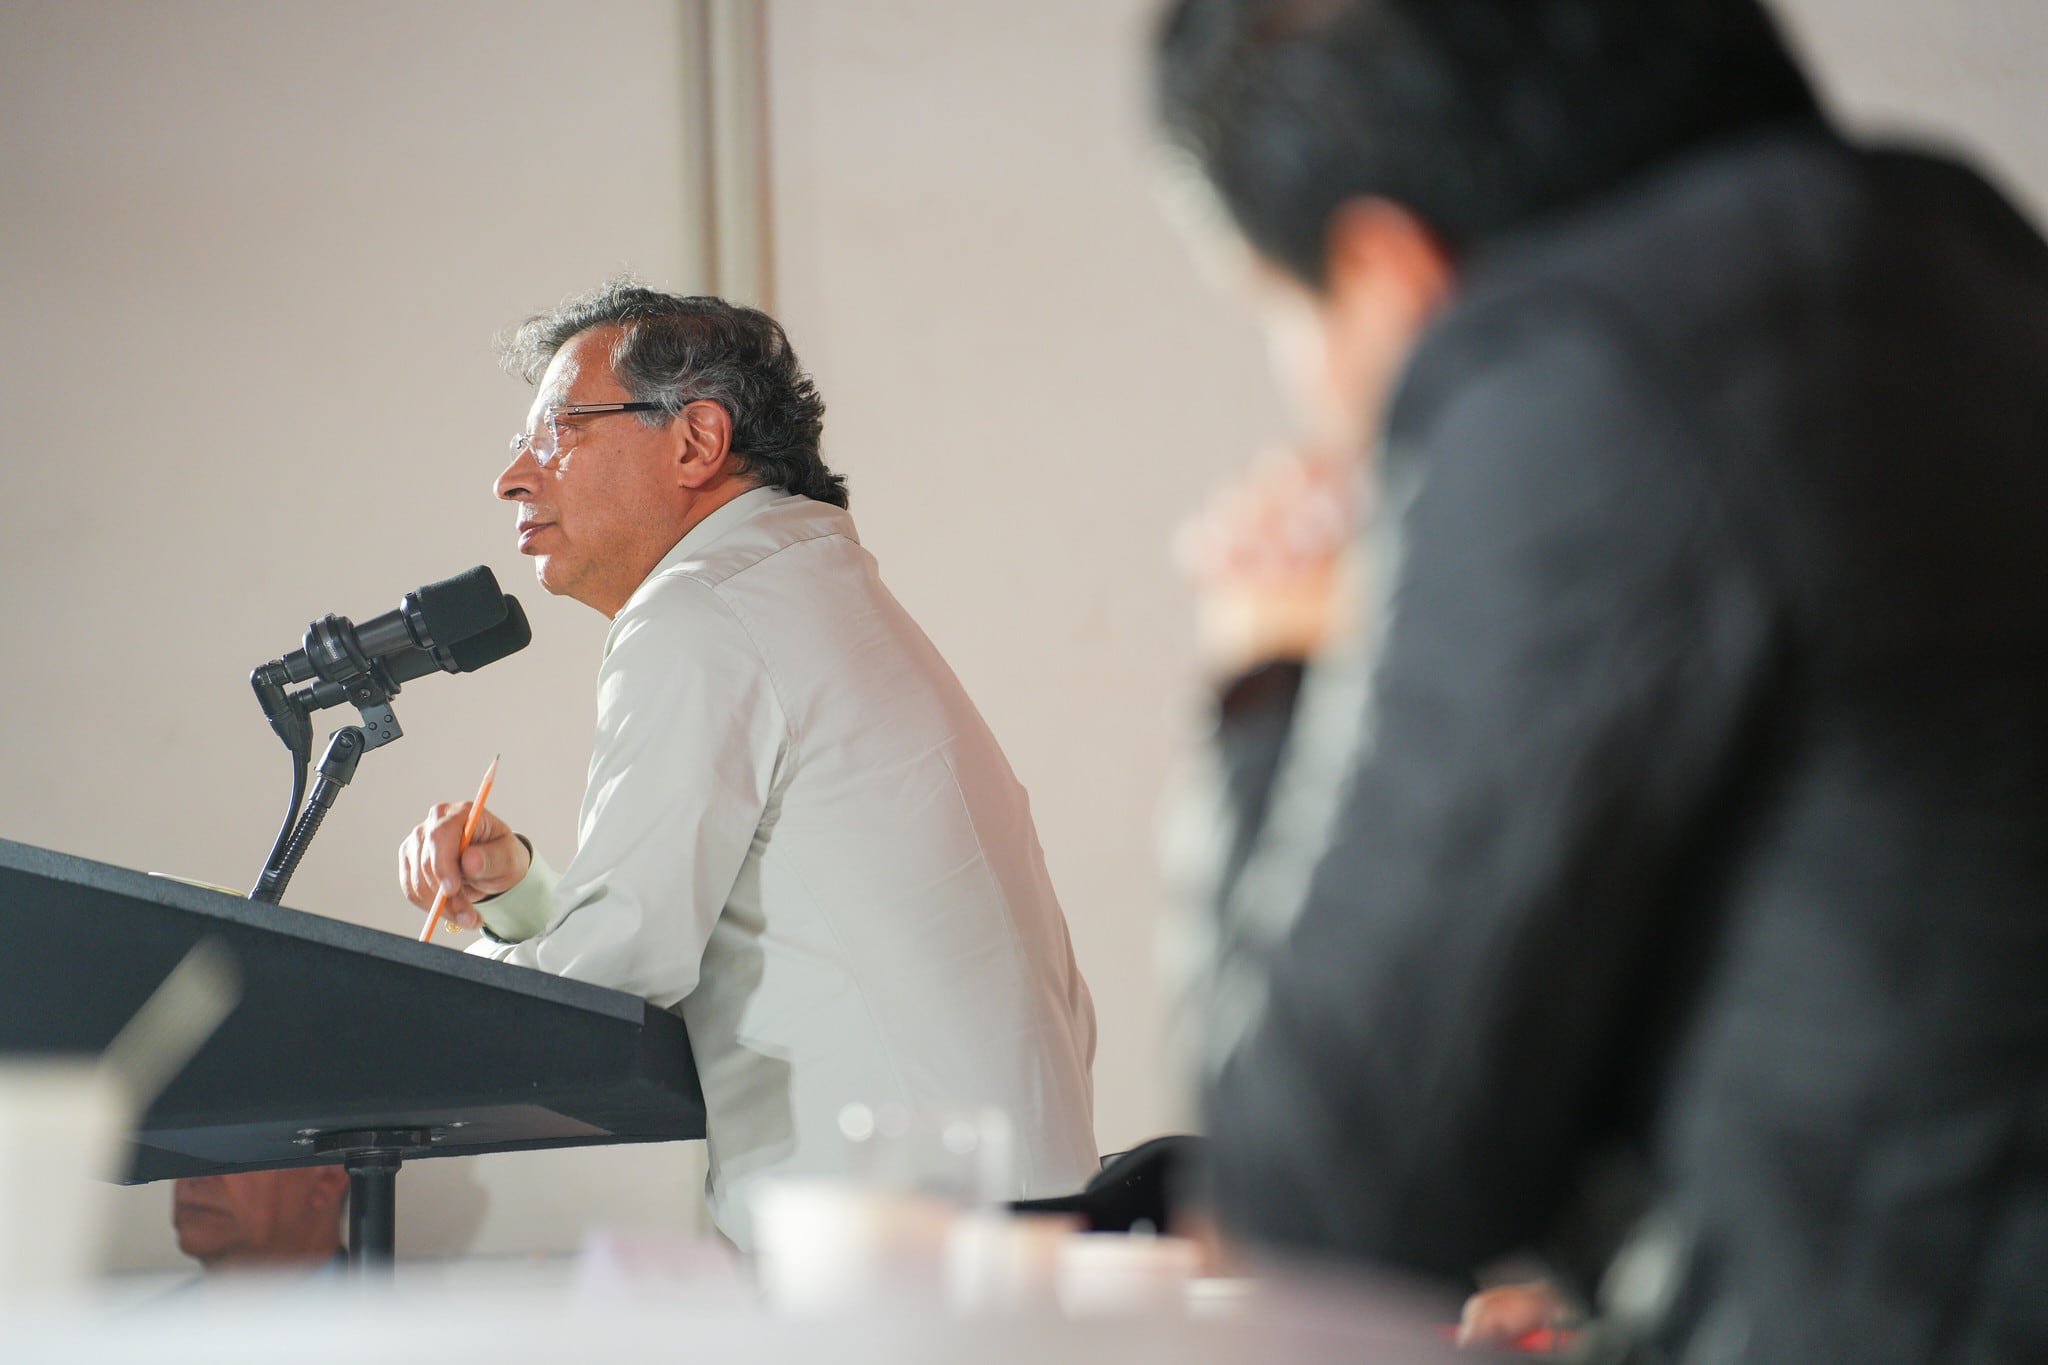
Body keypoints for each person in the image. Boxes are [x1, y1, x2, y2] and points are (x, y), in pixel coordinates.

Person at [1151, 1, 2048, 1361]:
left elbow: (1324, 1205)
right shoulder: (1965, 246)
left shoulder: (1575, 377)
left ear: (1387, 269)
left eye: (1278, 310)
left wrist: (1275, 670)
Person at [398, 283, 1098, 1250]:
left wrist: (402, 1000)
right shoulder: (805, 593)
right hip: (1009, 1225)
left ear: (696, 443)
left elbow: (626, 958)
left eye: (558, 430)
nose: (512, 477)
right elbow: (731, 936)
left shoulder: (700, 612)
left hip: (898, 1259)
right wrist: (521, 899)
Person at [172, 1168, 348, 1275]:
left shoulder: (371, 1327)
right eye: (184, 1142)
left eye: (233, 1146)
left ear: (329, 1177)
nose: (195, 1176)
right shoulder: (149, 1329)